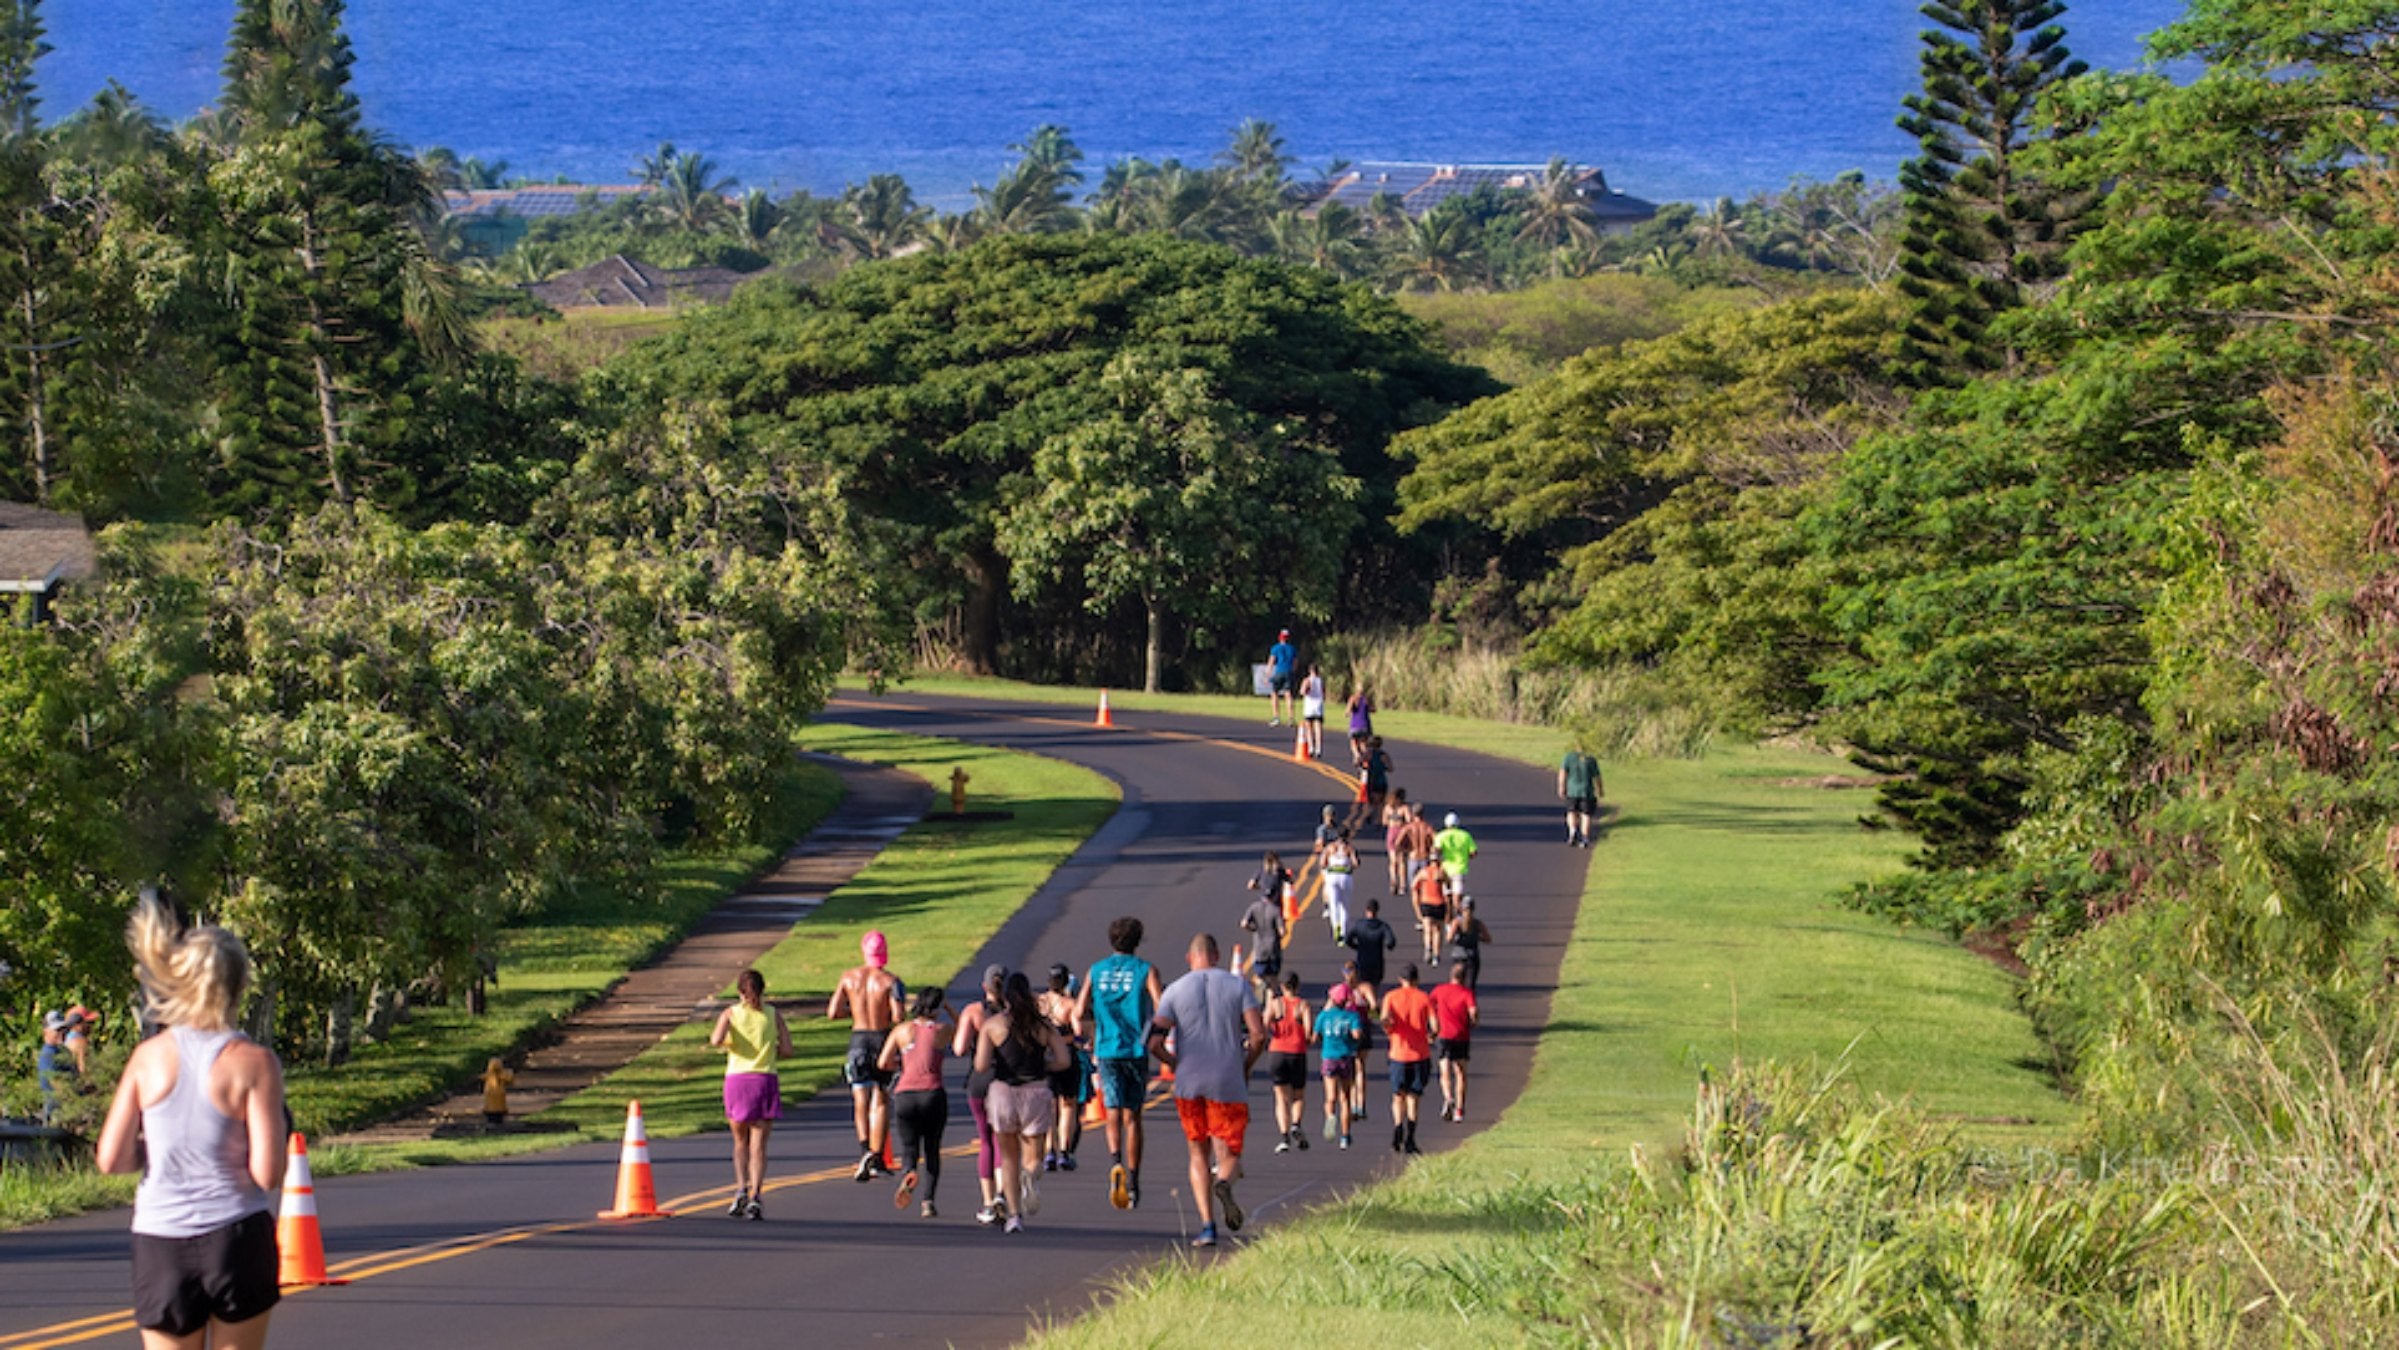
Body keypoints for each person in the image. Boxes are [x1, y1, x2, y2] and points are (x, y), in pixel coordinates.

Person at [97, 895, 286, 1350]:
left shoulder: (148, 1059)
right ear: (241, 986)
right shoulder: (255, 1063)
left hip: (161, 1238)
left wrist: (158, 1151)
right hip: (235, 1234)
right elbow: (267, 1173)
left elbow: (111, 1158)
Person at [1147, 934, 1267, 1249]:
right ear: (1216, 955)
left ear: (1190, 957)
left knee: (1197, 1152)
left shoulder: (1174, 990)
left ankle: (1207, 1225)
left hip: (1189, 1082)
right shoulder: (1238, 986)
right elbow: (1258, 1035)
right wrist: (1247, 1064)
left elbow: (1154, 1042)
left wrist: (1174, 1064)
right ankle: (1224, 1183)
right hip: (1227, 1079)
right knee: (1229, 1153)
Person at [974, 972, 1070, 1234]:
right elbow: (1064, 1060)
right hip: (1036, 1090)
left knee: (1008, 1157)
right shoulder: (1042, 1027)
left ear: (1003, 994)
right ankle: (1032, 1176)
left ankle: (1014, 1216)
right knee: (1034, 1154)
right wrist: (1043, 1065)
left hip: (1004, 1091)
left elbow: (981, 1065)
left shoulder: (993, 1025)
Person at [708, 968, 793, 1220]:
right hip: (764, 1078)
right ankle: (756, 1194)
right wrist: (770, 1050)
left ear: (740, 992)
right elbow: (788, 1049)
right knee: (759, 1145)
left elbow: (715, 1039)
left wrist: (730, 1044)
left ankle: (740, 1188)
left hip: (737, 1079)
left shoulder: (731, 1014)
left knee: (740, 1142)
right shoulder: (772, 1014)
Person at [828, 930, 905, 1182]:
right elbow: (898, 1017)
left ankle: (864, 1150)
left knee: (860, 1097)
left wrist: (856, 1013)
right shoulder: (891, 981)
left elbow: (833, 1012)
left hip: (858, 1039)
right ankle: (877, 1154)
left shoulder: (848, 978)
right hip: (882, 1039)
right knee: (881, 1098)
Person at [877, 986, 951, 1219]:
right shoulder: (942, 1030)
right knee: (932, 1149)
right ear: (937, 1008)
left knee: (910, 1148)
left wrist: (901, 1064)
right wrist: (949, 1008)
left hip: (905, 1095)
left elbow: (882, 1062)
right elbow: (964, 1035)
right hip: (932, 1094)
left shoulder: (901, 1031)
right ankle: (928, 1201)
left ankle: (909, 1172)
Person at [953, 965, 1010, 1225]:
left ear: (984, 986)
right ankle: (1002, 1193)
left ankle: (988, 1202)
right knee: (1004, 1141)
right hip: (1006, 1080)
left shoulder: (973, 1012)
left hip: (979, 1080)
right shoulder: (1015, 1014)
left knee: (986, 1141)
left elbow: (959, 1047)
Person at [1037, 964, 1089, 1173]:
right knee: (1068, 1105)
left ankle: (1049, 1150)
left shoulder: (1040, 1002)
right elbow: (1078, 1032)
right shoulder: (1070, 1005)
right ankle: (1064, 1151)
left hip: (1046, 1057)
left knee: (1050, 1107)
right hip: (1066, 1056)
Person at [1380, 963, 1435, 1155]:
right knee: (1414, 1096)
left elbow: (1385, 1020)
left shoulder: (1391, 997)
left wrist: (1390, 1028)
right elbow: (1434, 1027)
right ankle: (1411, 1137)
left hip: (1398, 1053)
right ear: (1417, 979)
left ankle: (1397, 1127)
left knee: (1398, 1096)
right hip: (1420, 1054)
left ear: (1400, 979)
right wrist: (1430, 1036)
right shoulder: (1424, 998)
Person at [1312, 981, 1366, 1149]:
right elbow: (1357, 1035)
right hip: (1346, 1058)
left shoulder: (1323, 1016)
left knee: (1330, 1097)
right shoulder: (1351, 1016)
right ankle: (1345, 1135)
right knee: (1345, 1098)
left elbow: (1314, 1038)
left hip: (1329, 1057)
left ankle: (1330, 1116)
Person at [1263, 973, 1313, 1154]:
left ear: (1282, 987)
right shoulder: (1303, 1005)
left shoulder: (1275, 1005)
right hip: (1297, 1052)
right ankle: (1296, 1124)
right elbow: (1308, 1032)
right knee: (1298, 1095)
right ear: (1297, 986)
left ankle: (1284, 1137)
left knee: (1280, 1097)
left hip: (1277, 1052)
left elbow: (1264, 1025)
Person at [1429, 962, 1481, 1123]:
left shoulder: (1439, 990)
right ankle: (1459, 1110)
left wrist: (1432, 1028)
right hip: (1461, 1036)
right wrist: (1473, 1021)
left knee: (1444, 1070)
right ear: (1465, 978)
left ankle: (1448, 1097)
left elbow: (1429, 1005)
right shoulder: (1467, 993)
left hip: (1444, 1035)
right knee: (1460, 1073)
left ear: (1451, 976)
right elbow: (1473, 1012)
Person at [1342, 899, 1398, 1001]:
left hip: (1362, 961)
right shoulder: (1383, 926)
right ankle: (1372, 1008)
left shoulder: (1359, 925)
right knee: (1374, 987)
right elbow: (1391, 942)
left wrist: (1357, 947)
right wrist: (1387, 946)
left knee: (1362, 986)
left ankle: (1362, 1008)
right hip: (1377, 962)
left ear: (1366, 910)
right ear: (1377, 911)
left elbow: (1347, 939)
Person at [1240, 870, 1288, 986]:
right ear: (1275, 895)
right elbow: (1282, 932)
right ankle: (1270, 998)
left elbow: (1244, 923)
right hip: (1273, 950)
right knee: (1273, 979)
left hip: (1259, 949)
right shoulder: (1275, 911)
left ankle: (1259, 997)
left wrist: (1254, 929)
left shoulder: (1254, 907)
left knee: (1260, 977)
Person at [1410, 847, 1452, 964]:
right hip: (1439, 903)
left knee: (1427, 928)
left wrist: (1416, 900)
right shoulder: (1441, 872)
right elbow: (1448, 885)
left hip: (1426, 902)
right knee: (1438, 930)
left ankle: (1428, 948)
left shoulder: (1424, 872)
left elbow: (1414, 886)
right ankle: (1436, 955)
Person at [1444, 897, 1494, 993]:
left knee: (1457, 985)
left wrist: (1456, 939)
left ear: (1461, 908)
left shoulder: (1457, 922)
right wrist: (1476, 937)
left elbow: (1449, 939)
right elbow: (1488, 939)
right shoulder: (1478, 924)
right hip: (1472, 957)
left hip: (1458, 956)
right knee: (1470, 986)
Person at [1559, 744, 1604, 848]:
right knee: (1586, 815)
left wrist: (1562, 787)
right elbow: (1597, 777)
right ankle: (1584, 838)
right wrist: (1600, 790)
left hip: (1572, 791)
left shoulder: (1569, 757)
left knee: (1571, 812)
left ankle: (1572, 831)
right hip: (1586, 791)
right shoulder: (1590, 759)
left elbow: (1563, 774)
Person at [1320, 829, 1360, 942]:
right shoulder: (1349, 848)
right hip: (1345, 876)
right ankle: (1343, 932)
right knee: (1345, 906)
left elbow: (1322, 863)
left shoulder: (1329, 847)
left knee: (1333, 904)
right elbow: (1356, 863)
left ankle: (1335, 928)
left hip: (1332, 876)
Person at [1433, 811, 1479, 904]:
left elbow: (1436, 851)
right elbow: (1473, 853)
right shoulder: (1465, 836)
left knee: (1446, 895)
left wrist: (1437, 864)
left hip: (1445, 869)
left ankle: (1449, 913)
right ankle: (1457, 912)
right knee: (1457, 895)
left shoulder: (1441, 835)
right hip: (1460, 869)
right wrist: (1465, 855)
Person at [36, 1010, 72, 1123]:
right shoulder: (48, 1054)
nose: (62, 1034)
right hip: (58, 1111)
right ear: (46, 1032)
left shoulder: (63, 1052)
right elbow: (55, 1083)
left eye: (64, 1030)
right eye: (57, 1030)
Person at [1381, 788, 1413, 896]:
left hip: (1391, 833)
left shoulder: (1387, 808)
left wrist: (1391, 820)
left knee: (1393, 860)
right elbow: (1409, 821)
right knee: (1401, 860)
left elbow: (1384, 821)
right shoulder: (1404, 808)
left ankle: (1393, 882)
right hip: (1401, 832)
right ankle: (1402, 885)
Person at [1266, 629, 1299, 727]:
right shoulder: (1292, 649)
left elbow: (1272, 660)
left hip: (1279, 671)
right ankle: (1291, 718)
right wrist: (1293, 671)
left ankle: (1276, 717)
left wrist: (1268, 672)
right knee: (1288, 694)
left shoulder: (1275, 648)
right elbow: (1295, 663)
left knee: (1274, 693)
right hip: (1288, 671)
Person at [1298, 665, 1327, 756]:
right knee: (1318, 727)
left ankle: (1311, 747)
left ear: (1310, 670)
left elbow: (1302, 692)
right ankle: (1318, 748)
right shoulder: (1320, 681)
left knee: (1309, 727)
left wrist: (1305, 691)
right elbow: (1323, 692)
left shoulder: (1307, 680)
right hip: (1318, 705)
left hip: (1309, 705)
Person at [1360, 735, 1392, 810]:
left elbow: (1358, 762)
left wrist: (1365, 767)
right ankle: (1379, 818)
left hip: (1371, 781)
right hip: (1381, 781)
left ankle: (1369, 814)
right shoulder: (1383, 755)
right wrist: (1383, 768)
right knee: (1381, 802)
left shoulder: (1368, 754)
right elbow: (1391, 768)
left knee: (1370, 801)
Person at [1345, 687, 1375, 766]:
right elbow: (1373, 709)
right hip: (1365, 726)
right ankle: (1366, 759)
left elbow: (1347, 712)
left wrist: (1348, 712)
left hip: (1355, 726)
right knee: (1362, 744)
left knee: (1353, 743)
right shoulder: (1366, 700)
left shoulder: (1353, 698)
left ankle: (1357, 756)